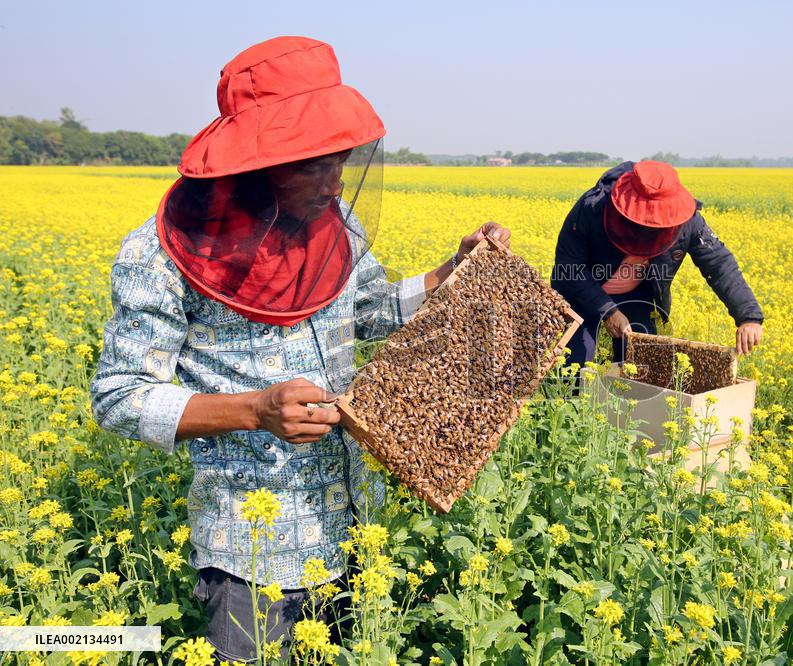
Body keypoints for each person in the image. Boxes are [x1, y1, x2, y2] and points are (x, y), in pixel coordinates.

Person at [89, 36, 511, 664]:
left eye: (340, 160)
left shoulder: (338, 227)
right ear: (254, 164)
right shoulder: (157, 256)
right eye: (314, 164)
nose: (336, 181)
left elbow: (365, 312)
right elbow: (120, 396)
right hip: (250, 550)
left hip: (351, 525)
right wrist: (255, 410)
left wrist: (451, 271)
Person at [550, 160, 763, 369]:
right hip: (583, 290)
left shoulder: (688, 220)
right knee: (575, 362)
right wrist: (608, 310)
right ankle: (569, 402)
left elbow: (718, 263)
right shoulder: (593, 207)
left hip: (637, 294)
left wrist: (748, 316)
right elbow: (570, 269)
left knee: (641, 364)